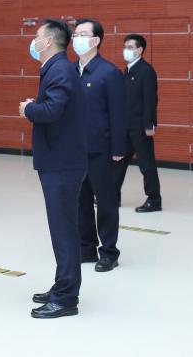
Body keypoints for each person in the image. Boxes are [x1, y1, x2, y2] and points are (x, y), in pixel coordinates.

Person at [20, 19, 87, 319]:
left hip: (62, 163)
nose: (33, 41)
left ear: (48, 41)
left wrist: (28, 109)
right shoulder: (57, 68)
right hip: (61, 161)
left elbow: (52, 110)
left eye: (36, 36)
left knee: (64, 231)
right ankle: (63, 285)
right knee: (63, 229)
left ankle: (66, 298)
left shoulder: (59, 69)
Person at [71, 18, 125, 272]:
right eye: (75, 34)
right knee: (80, 201)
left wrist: (118, 149)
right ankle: (87, 247)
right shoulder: (70, 71)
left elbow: (118, 114)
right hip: (76, 150)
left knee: (105, 202)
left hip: (102, 150)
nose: (76, 39)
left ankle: (109, 252)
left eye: (82, 34)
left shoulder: (109, 72)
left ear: (95, 40)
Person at [114, 34, 162, 212]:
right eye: (125, 47)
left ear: (140, 50)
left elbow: (151, 99)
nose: (126, 50)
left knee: (146, 165)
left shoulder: (146, 71)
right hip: (126, 126)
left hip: (140, 127)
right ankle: (113, 196)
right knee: (118, 163)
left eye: (130, 47)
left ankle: (154, 200)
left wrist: (150, 125)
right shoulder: (128, 70)